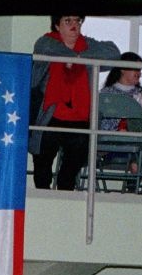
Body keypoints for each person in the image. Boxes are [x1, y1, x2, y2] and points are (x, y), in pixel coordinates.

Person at [29, 14, 121, 191]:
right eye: (68, 21)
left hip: (80, 117)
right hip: (50, 114)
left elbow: (113, 52)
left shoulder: (87, 44)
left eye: (78, 21)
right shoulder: (47, 42)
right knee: (43, 160)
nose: (74, 25)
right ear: (57, 25)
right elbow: (46, 49)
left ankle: (65, 197)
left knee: (74, 161)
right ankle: (43, 198)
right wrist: (74, 56)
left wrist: (77, 58)